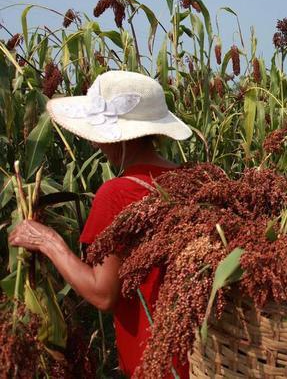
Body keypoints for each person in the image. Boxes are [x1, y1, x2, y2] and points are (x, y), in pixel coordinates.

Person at [9, 70, 193, 377]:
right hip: (199, 359)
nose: (95, 143)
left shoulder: (117, 193)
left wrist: (48, 241)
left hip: (151, 364)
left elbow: (103, 294)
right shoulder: (193, 180)